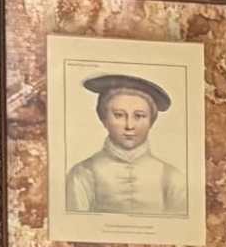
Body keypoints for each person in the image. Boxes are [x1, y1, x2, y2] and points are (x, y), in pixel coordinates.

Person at [63, 69, 183, 219]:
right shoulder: (82, 174)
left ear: (151, 121)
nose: (129, 125)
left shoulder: (171, 177)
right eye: (119, 115)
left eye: (139, 116)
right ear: (104, 119)